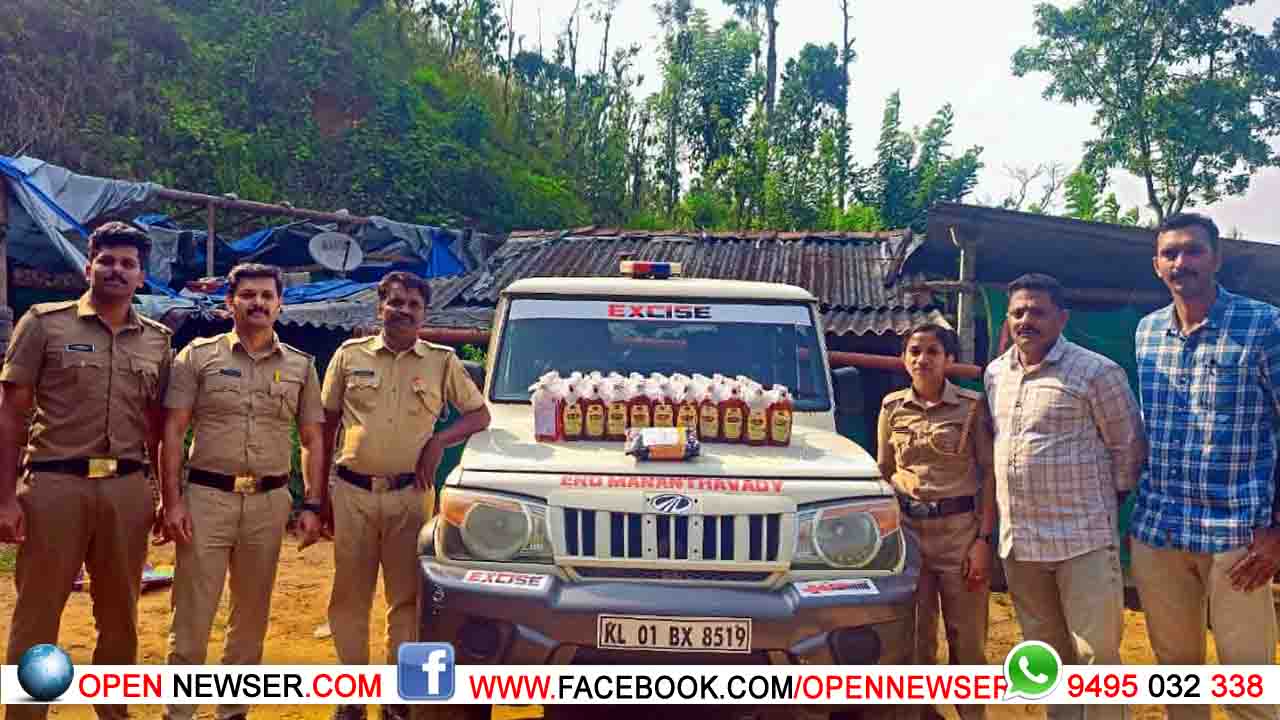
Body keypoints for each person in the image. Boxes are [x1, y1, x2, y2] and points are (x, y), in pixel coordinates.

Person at [0, 221, 172, 720]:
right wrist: (6, 498)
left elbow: (160, 426)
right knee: (38, 612)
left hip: (127, 490)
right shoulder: (44, 324)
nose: (117, 270)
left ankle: (113, 711)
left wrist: (165, 495)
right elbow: (11, 413)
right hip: (56, 485)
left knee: (121, 614)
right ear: (88, 267)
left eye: (128, 263)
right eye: (107, 260)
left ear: (141, 276)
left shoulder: (157, 341)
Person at [1130, 213, 1280, 720]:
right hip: (1159, 530)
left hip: (1237, 536)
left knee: (1247, 685)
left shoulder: (1264, 326)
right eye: (1170, 253)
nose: (1181, 262)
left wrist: (1277, 529)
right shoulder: (1147, 332)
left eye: (1193, 250)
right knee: (1176, 678)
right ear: (1156, 265)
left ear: (1216, 258)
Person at [159, 263, 326, 720]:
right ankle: (180, 712)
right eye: (248, 295)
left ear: (280, 304)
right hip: (206, 499)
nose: (258, 303)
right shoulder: (198, 357)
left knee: (251, 615)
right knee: (192, 611)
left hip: (269, 504)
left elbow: (312, 439)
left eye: (267, 295)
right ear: (229, 302)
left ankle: (233, 711)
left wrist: (312, 502)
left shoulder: (300, 365)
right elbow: (173, 431)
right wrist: (172, 501)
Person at [321, 271, 490, 720]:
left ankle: (395, 694)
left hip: (410, 496)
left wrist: (439, 441)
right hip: (352, 492)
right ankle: (352, 695)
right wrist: (317, 497)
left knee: (407, 599)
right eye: (396, 302)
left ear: (424, 313)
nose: (404, 311)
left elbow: (479, 415)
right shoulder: (349, 355)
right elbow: (324, 425)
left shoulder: (441, 361)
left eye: (414, 305)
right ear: (380, 307)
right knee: (349, 598)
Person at [983, 273, 1144, 720]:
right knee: (1045, 654)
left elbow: (1128, 446)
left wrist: (1106, 503)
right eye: (1018, 312)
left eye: (1037, 312)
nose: (1026, 320)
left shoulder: (1096, 372)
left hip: (1082, 540)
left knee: (1096, 656)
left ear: (1062, 318)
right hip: (1022, 544)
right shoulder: (996, 374)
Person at [878, 323, 995, 720]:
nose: (922, 359)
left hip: (959, 534)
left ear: (949, 359)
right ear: (903, 359)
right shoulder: (891, 407)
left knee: (968, 638)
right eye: (914, 351)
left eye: (932, 351)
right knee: (914, 638)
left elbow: (989, 475)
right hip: (907, 535)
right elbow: (884, 470)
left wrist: (983, 540)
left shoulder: (971, 406)